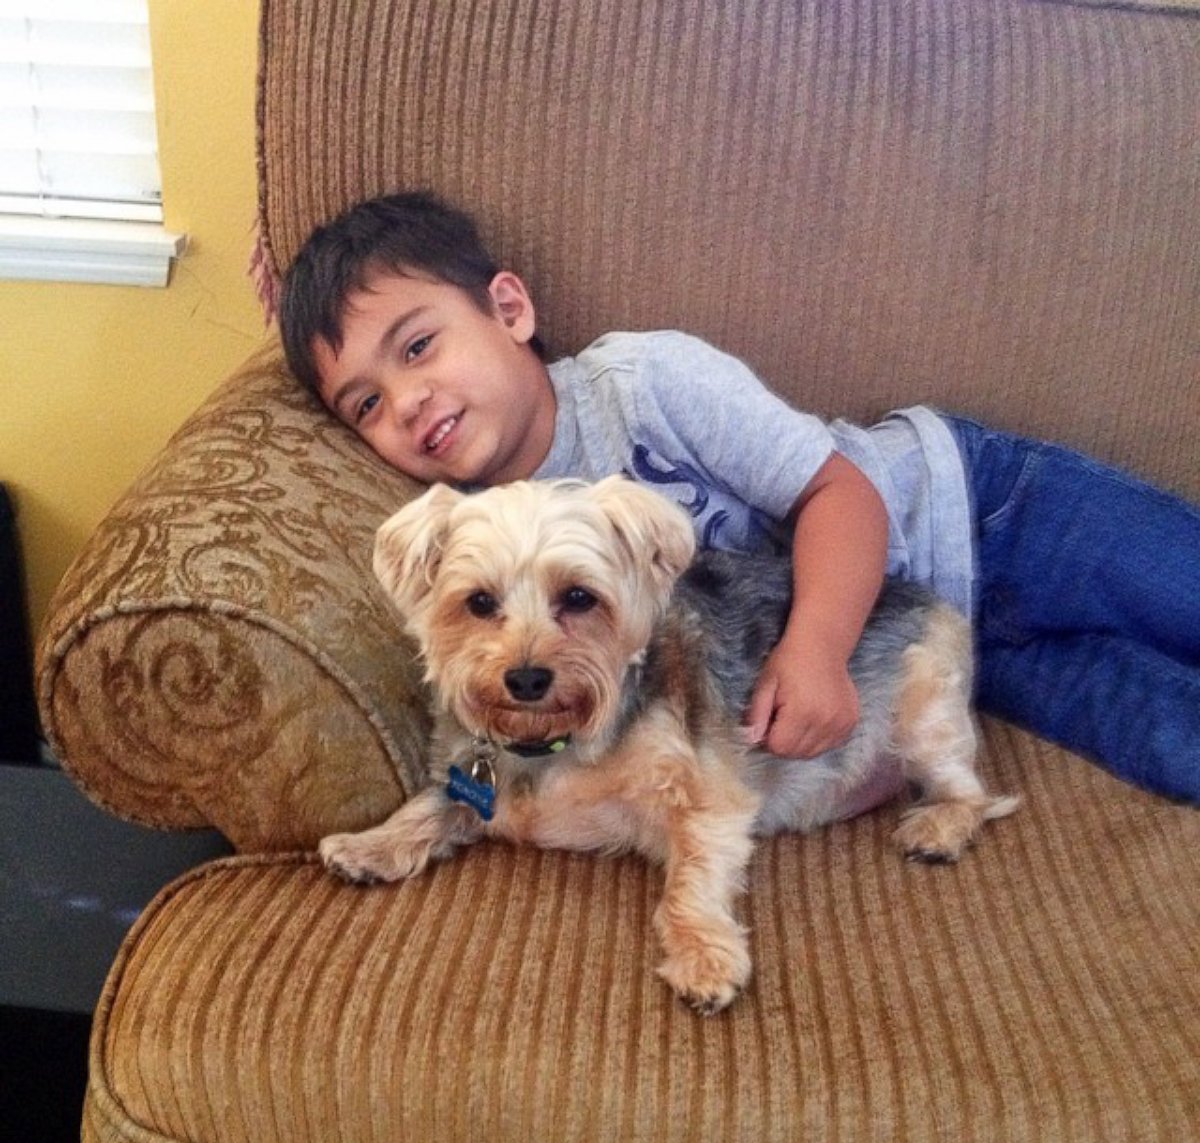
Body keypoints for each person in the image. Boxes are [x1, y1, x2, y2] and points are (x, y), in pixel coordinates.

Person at [279, 191, 1200, 805]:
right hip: (942, 651)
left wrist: (816, 650)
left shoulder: (648, 381)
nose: (406, 403)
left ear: (509, 311)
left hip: (986, 511)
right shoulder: (483, 544)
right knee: (1170, 743)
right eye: (365, 404)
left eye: (417, 347)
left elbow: (841, 493)